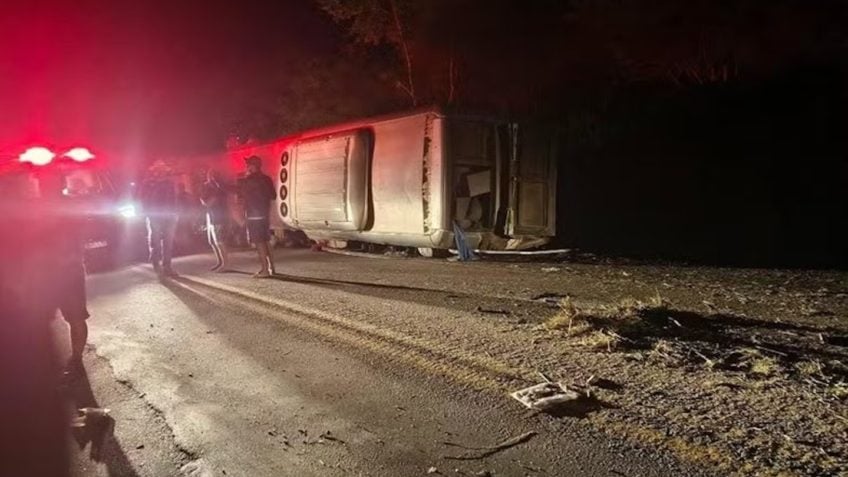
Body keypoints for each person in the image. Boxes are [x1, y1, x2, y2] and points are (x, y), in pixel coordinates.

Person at [238, 155, 276, 277]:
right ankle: (271, 268)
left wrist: (246, 179)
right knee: (266, 240)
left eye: (248, 165)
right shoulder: (267, 179)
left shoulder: (249, 180)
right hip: (264, 213)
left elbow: (240, 193)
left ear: (252, 166)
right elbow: (273, 196)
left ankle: (264, 270)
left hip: (254, 215)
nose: (246, 167)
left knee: (259, 242)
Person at [139, 160, 179, 277]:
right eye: (158, 169)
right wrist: (148, 213)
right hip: (155, 215)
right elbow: (143, 199)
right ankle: (157, 265)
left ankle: (167, 266)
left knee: (168, 242)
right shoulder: (148, 183)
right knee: (155, 241)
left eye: (163, 169)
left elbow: (173, 198)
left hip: (169, 215)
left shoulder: (169, 183)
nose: (161, 172)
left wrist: (175, 213)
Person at [200, 168, 231, 271]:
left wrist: (209, 200)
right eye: (209, 174)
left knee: (219, 241)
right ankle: (220, 262)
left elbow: (213, 201)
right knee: (212, 242)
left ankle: (225, 264)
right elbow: (203, 200)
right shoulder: (207, 186)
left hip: (218, 216)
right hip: (210, 215)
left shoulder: (219, 186)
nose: (210, 177)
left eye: (212, 174)